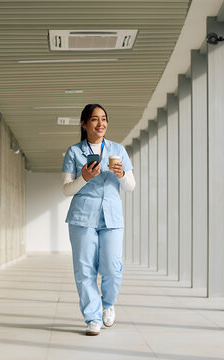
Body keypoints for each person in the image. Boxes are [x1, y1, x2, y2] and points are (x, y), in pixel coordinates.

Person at [61, 104, 135, 336]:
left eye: (104, 119)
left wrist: (121, 175)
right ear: (84, 124)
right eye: (94, 119)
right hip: (82, 217)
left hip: (112, 217)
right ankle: (92, 317)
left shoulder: (118, 150)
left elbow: (131, 186)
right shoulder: (73, 152)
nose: (100, 123)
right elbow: (66, 189)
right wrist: (83, 177)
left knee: (113, 267)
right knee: (84, 269)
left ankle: (108, 304)